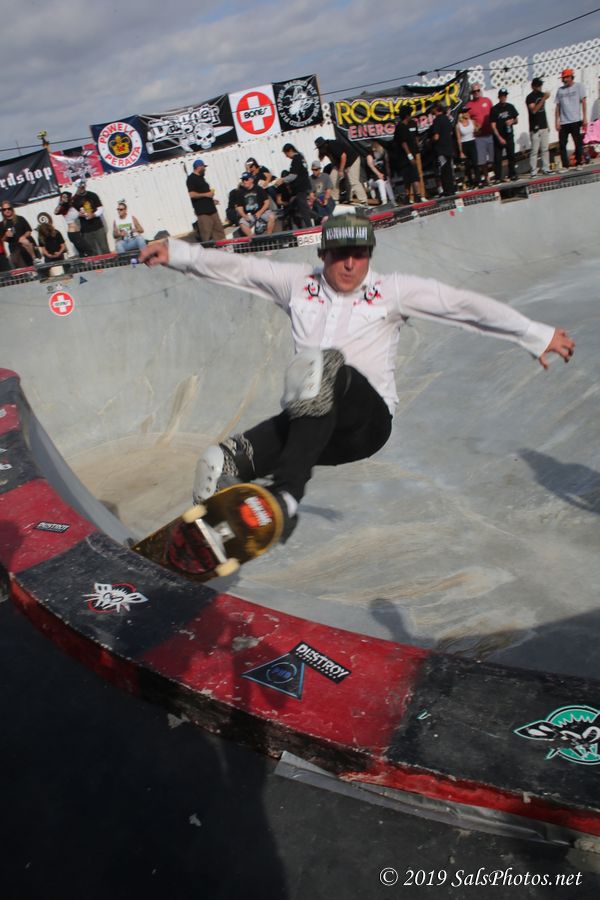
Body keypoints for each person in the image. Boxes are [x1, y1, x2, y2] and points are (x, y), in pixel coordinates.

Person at [139, 213, 575, 544]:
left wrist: (535, 334)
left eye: (359, 256)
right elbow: (237, 269)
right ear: (322, 255)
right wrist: (175, 253)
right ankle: (202, 546)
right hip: (311, 427)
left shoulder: (393, 290)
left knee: (326, 364)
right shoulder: (296, 282)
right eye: (339, 255)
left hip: (365, 424)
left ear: (369, 256)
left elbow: (463, 306)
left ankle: (287, 497)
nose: (349, 265)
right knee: (218, 463)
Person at [314, 136, 368, 204]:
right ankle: (335, 199)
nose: (319, 149)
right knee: (332, 179)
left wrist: (341, 170)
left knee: (353, 181)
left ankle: (364, 200)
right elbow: (333, 160)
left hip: (352, 160)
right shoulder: (326, 150)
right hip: (340, 163)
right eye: (318, 148)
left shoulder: (332, 145)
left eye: (320, 147)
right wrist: (335, 168)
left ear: (324, 144)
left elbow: (343, 156)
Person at [272, 144, 313, 229]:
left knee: (303, 209)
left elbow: (293, 176)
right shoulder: (301, 157)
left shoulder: (296, 159)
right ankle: (315, 218)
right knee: (297, 206)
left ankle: (310, 227)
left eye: (286, 154)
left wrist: (282, 180)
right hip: (304, 186)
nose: (286, 156)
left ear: (290, 150)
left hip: (301, 187)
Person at [186, 158, 226, 243]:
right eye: (203, 167)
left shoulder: (201, 178)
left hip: (212, 210)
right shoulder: (191, 179)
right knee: (206, 235)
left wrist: (212, 200)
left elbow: (204, 194)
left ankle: (224, 248)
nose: (205, 169)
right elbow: (192, 194)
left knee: (219, 232)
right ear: (199, 167)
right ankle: (208, 250)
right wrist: (207, 194)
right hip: (203, 212)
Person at [555, 68, 587, 170]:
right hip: (564, 121)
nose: (565, 80)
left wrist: (585, 117)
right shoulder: (560, 90)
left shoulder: (579, 87)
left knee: (578, 143)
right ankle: (565, 165)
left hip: (575, 120)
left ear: (571, 77)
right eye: (563, 78)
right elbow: (558, 106)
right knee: (562, 144)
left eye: (566, 77)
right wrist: (557, 121)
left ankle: (579, 163)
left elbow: (583, 102)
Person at [392, 108, 422, 203]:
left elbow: (416, 137)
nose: (411, 116)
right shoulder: (401, 127)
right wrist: (410, 156)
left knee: (412, 176)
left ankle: (412, 197)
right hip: (405, 157)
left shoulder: (410, 124)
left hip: (412, 155)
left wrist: (417, 146)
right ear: (406, 116)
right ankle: (414, 196)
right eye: (410, 114)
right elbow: (403, 143)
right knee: (411, 177)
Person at [73, 180, 110, 255]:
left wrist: (93, 215)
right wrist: (79, 214)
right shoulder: (74, 199)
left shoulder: (92, 195)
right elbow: (72, 214)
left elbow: (101, 208)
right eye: (80, 187)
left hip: (98, 226)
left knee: (105, 249)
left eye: (83, 186)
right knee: (92, 252)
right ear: (77, 187)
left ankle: (110, 262)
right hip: (85, 230)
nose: (82, 188)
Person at [467, 82, 494, 184]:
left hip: (490, 133)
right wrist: (474, 126)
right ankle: (487, 178)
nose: (476, 93)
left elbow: (493, 114)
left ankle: (496, 175)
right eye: (474, 91)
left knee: (493, 157)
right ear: (471, 92)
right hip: (479, 137)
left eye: (478, 90)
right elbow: (467, 120)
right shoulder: (469, 105)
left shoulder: (487, 101)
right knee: (482, 160)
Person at [490, 89, 519, 182]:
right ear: (499, 97)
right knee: (498, 158)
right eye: (502, 96)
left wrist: (512, 121)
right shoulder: (494, 109)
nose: (503, 98)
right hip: (499, 137)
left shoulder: (510, 107)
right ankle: (498, 177)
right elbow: (493, 125)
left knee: (511, 156)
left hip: (509, 135)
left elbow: (516, 120)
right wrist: (499, 137)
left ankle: (512, 174)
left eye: (505, 96)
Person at [235, 172, 276, 237]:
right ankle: (254, 239)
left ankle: (269, 236)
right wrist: (244, 216)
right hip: (249, 215)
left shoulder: (259, 189)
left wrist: (260, 212)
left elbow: (267, 202)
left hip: (262, 212)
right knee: (242, 223)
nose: (244, 181)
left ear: (251, 180)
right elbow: (239, 207)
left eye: (246, 179)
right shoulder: (240, 192)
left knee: (272, 217)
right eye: (243, 180)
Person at [526, 77, 551, 177]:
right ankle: (533, 170)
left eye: (540, 85)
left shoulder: (542, 95)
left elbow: (543, 111)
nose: (540, 87)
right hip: (535, 127)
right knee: (535, 150)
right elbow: (534, 110)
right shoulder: (530, 97)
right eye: (538, 86)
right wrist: (544, 99)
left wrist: (547, 125)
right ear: (533, 86)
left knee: (545, 148)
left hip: (543, 125)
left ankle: (546, 168)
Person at [0, 202, 36, 267]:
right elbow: (2, 239)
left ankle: (35, 259)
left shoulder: (20, 218)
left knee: (33, 267)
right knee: (23, 270)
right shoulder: (2, 224)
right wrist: (6, 235)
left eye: (9, 208)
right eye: (4, 209)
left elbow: (28, 231)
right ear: (2, 211)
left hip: (26, 247)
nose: (7, 210)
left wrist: (23, 237)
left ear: (12, 209)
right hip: (14, 249)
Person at [430, 103, 455, 196]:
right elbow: (451, 132)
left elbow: (436, 137)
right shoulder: (446, 119)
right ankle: (451, 189)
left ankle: (447, 190)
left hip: (441, 150)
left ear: (436, 109)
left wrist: (430, 141)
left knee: (443, 170)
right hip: (449, 148)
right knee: (449, 169)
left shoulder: (437, 120)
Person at [54, 190, 89, 257]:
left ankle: (86, 262)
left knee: (84, 252)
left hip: (78, 232)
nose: (65, 198)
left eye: (66, 197)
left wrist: (84, 214)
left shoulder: (72, 207)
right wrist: (61, 203)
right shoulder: (64, 208)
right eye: (63, 197)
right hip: (73, 233)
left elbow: (76, 195)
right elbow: (56, 212)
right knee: (87, 250)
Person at [455, 107, 480, 188]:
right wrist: (461, 151)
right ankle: (471, 182)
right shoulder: (458, 125)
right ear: (461, 114)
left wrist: (478, 128)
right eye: (465, 112)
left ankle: (478, 181)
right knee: (467, 165)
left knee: (475, 163)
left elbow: (477, 130)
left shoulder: (472, 121)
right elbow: (458, 139)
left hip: (472, 142)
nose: (467, 113)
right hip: (464, 144)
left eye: (467, 112)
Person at [365, 141, 395, 205]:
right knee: (381, 182)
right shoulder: (370, 155)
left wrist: (389, 176)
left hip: (383, 177)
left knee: (387, 182)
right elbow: (371, 166)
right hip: (372, 179)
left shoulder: (383, 154)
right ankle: (384, 200)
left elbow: (387, 165)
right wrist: (379, 174)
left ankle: (392, 200)